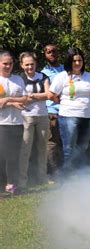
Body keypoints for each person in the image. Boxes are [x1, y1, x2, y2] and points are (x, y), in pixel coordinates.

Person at [48, 47, 90, 175]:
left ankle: (81, 175)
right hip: (68, 116)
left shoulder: (89, 76)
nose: (77, 63)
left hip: (87, 116)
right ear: (69, 61)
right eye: (74, 60)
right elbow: (51, 95)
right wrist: (64, 103)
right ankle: (67, 177)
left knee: (82, 147)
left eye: (80, 60)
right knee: (69, 148)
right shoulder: (62, 76)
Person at [18, 52, 50, 188]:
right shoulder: (19, 79)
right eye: (27, 64)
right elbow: (19, 98)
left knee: (42, 149)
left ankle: (42, 178)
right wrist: (36, 96)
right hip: (25, 117)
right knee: (25, 150)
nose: (30, 67)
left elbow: (48, 94)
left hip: (43, 116)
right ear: (21, 65)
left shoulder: (43, 77)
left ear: (36, 64)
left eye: (32, 64)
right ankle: (22, 180)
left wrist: (31, 96)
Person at [0, 50, 27, 194]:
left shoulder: (18, 79)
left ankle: (12, 184)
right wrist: (11, 103)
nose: (8, 66)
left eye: (10, 63)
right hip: (1, 123)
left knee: (14, 156)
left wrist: (8, 100)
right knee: (2, 155)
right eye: (5, 63)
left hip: (17, 123)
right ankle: (2, 184)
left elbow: (24, 99)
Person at [41, 44, 64, 180]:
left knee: (67, 141)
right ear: (45, 54)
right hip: (52, 111)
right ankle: (53, 172)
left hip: (67, 110)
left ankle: (68, 170)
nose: (52, 54)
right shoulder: (43, 73)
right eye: (48, 52)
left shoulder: (65, 70)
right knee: (52, 143)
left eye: (54, 51)